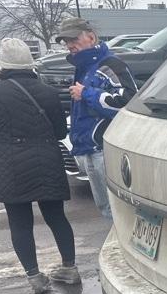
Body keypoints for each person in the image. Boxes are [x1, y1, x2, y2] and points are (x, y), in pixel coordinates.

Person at [0, 38, 79, 294]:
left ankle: (35, 277)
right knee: (56, 216)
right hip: (47, 158)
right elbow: (59, 131)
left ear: (2, 64)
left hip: (11, 164)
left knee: (20, 222)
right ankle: (70, 268)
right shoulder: (46, 91)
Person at [56, 17, 137, 220]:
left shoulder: (111, 64)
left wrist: (87, 94)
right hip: (88, 152)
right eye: (66, 41)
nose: (70, 45)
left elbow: (127, 103)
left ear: (91, 37)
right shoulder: (82, 68)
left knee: (120, 213)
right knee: (107, 212)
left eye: (74, 38)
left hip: (105, 150)